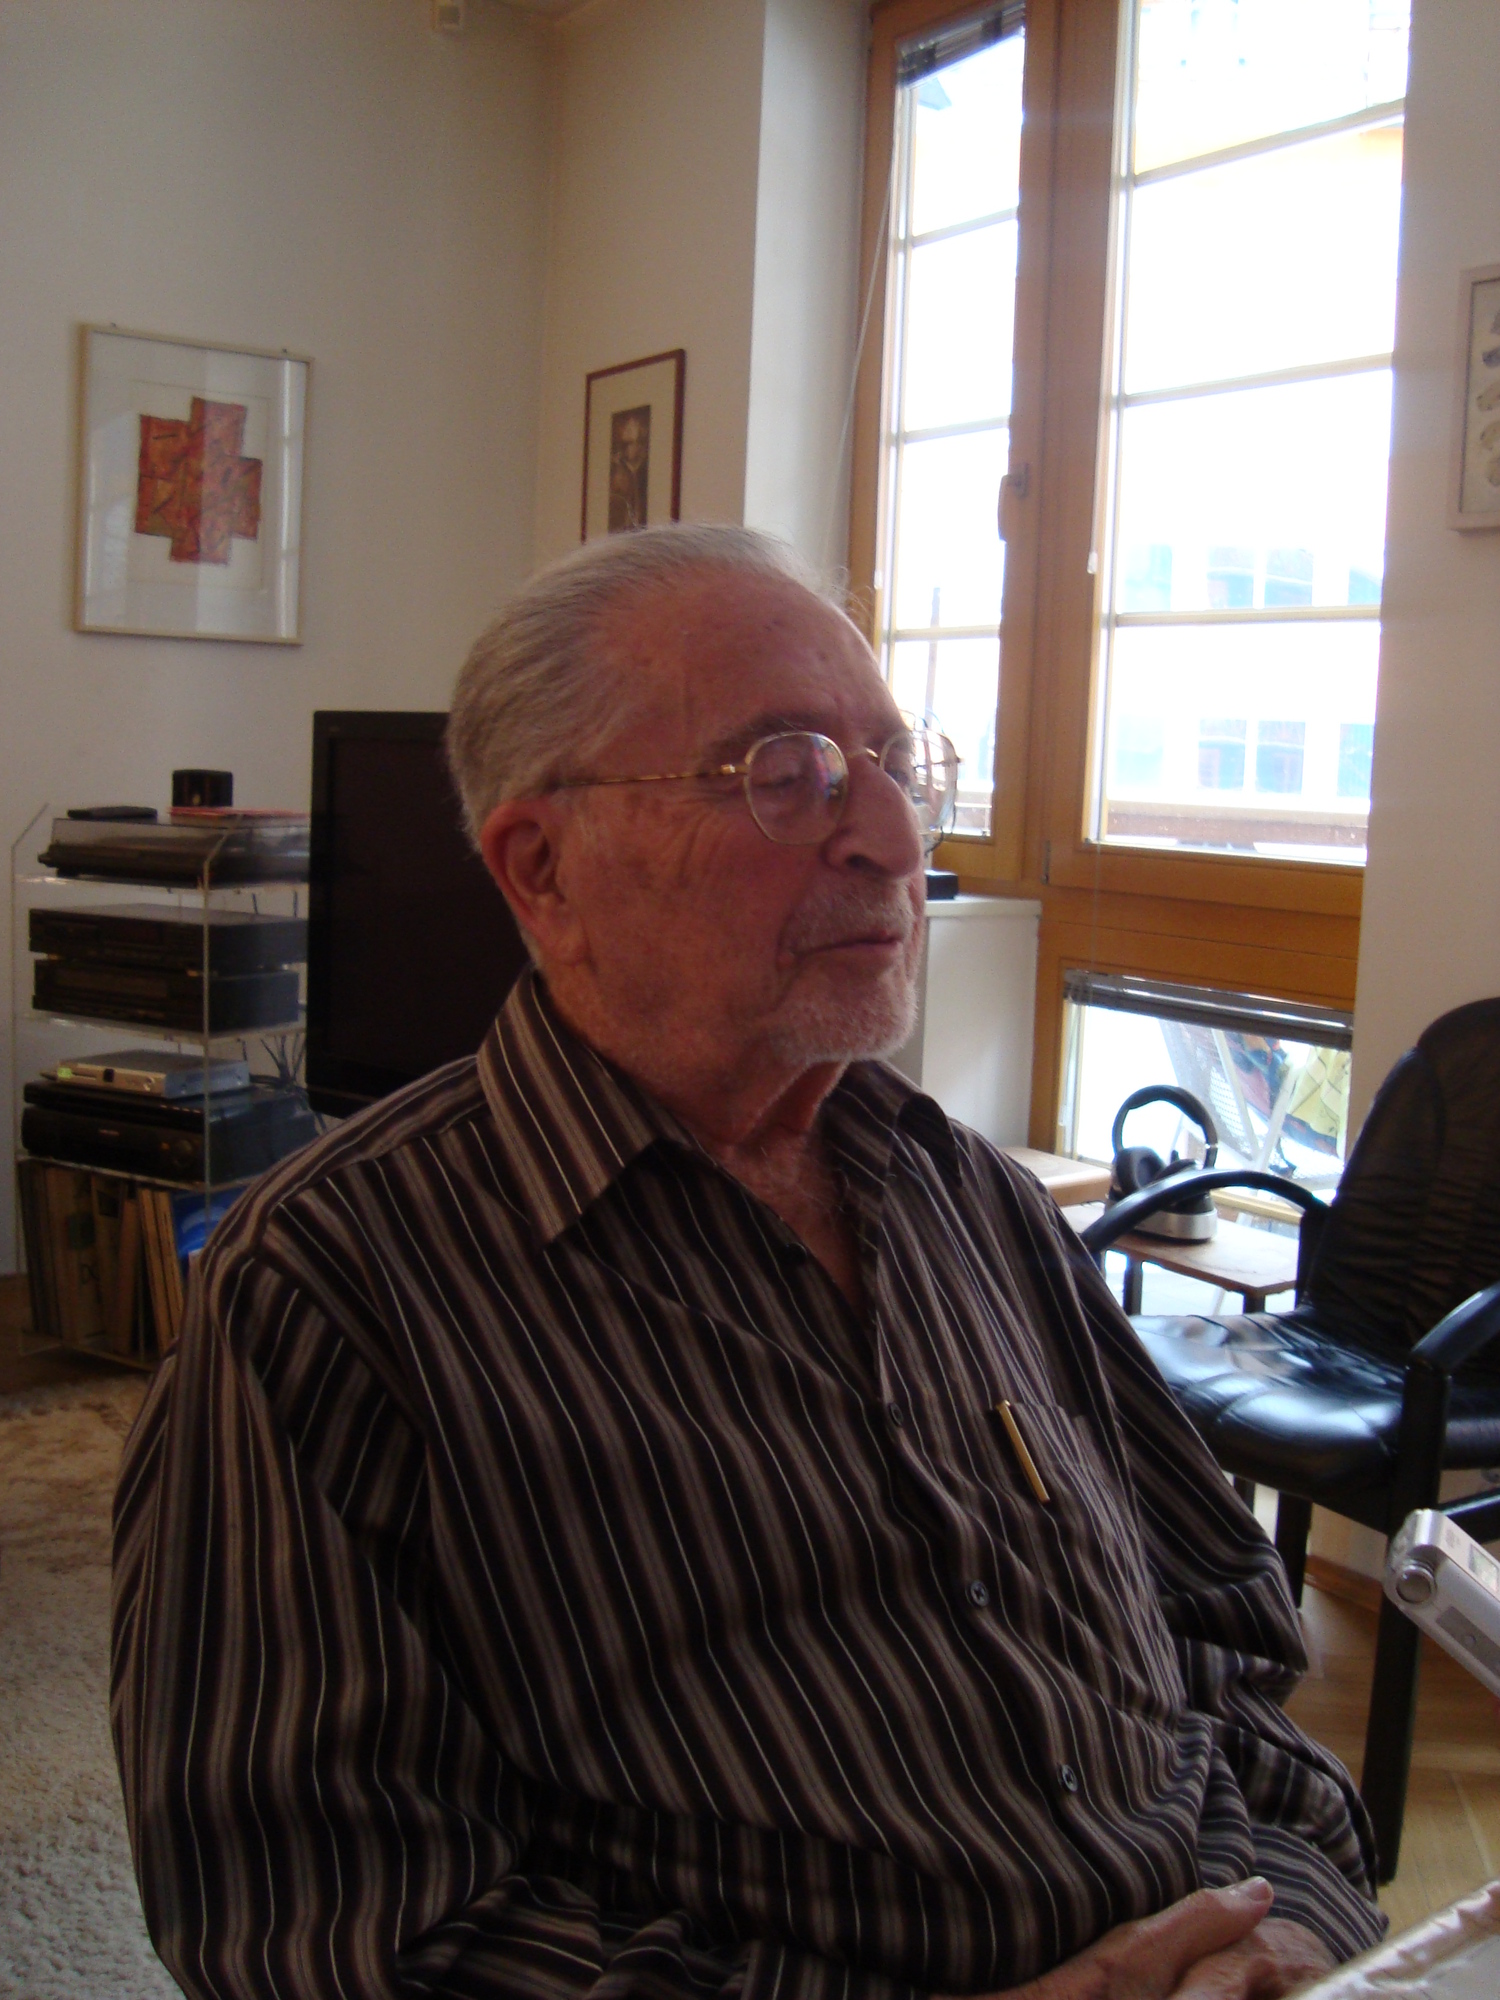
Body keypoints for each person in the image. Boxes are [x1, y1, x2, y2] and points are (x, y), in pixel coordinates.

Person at [112, 524, 1386, 2000]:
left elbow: (1222, 1633)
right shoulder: (325, 1294)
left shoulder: (977, 1200)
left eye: (898, 765)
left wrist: (1295, 1924)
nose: (895, 839)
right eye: (789, 775)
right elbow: (322, 1925)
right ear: (543, 870)